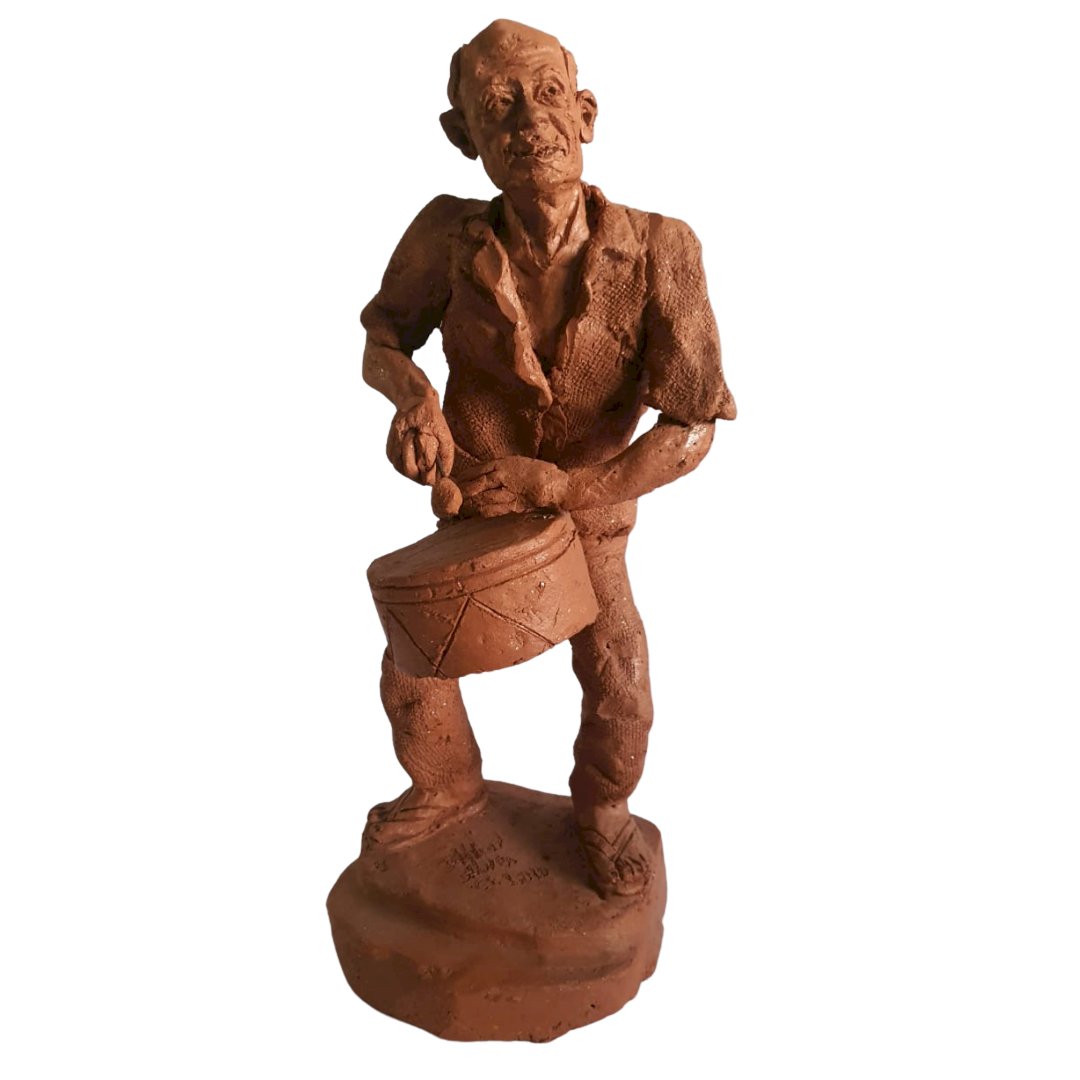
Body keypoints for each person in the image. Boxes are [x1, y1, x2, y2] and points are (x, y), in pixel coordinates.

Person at [359, 19, 735, 896]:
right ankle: (445, 787)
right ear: (464, 137)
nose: (530, 121)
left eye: (548, 94)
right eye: (498, 107)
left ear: (586, 113)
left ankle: (603, 812)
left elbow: (692, 425)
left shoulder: (660, 249)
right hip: (476, 505)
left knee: (620, 677)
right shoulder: (445, 236)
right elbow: (383, 339)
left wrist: (570, 487)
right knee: (412, 663)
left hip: (591, 513)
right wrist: (413, 401)